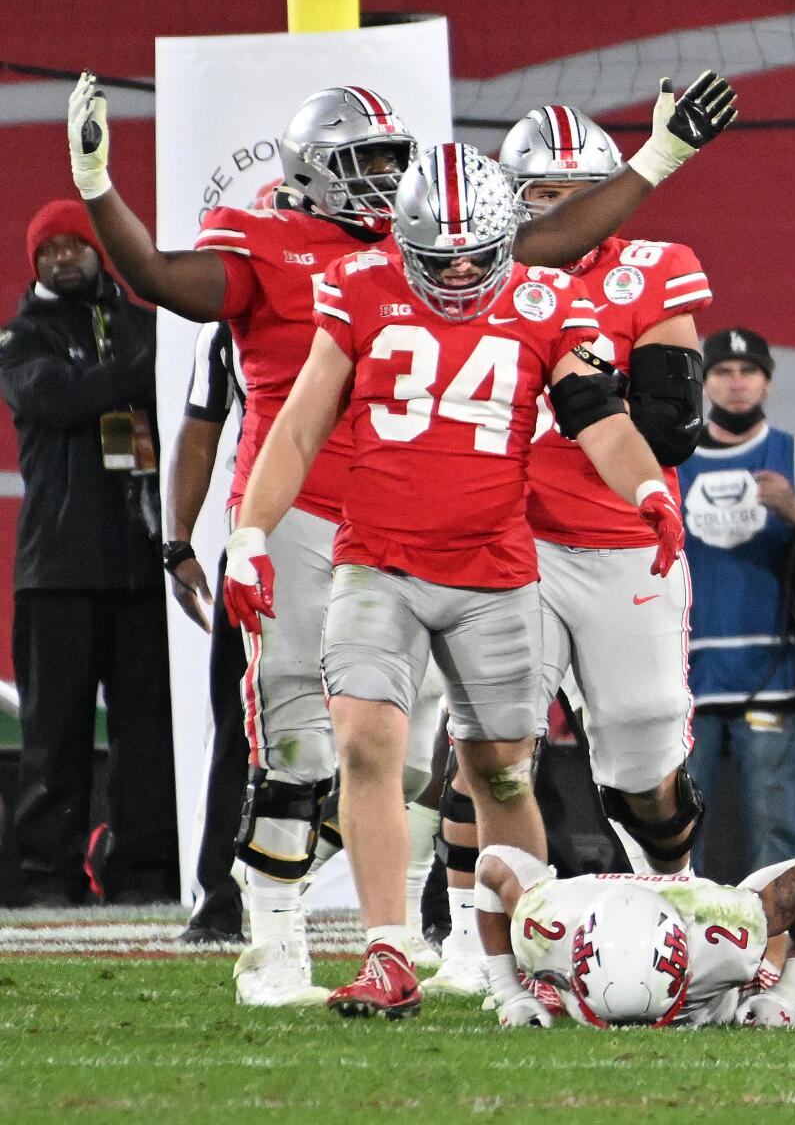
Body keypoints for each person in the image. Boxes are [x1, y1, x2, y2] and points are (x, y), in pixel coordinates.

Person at [66, 68, 734, 1004]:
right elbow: (249, 380)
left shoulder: (469, 258)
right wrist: (241, 531)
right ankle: (297, 941)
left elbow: (571, 331)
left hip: (477, 538)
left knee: (474, 763)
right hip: (336, 526)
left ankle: (487, 949)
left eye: (395, 161)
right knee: (312, 747)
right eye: (366, 161)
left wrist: (663, 155)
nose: (455, 264)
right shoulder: (343, 275)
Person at [223, 144, 690, 1019]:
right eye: (441, 257)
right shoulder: (360, 288)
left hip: (494, 571)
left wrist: (649, 489)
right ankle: (389, 953)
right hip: (378, 562)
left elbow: (600, 417)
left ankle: (523, 971)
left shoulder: (547, 300)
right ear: (404, 240)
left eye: (479, 251)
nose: (464, 270)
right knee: (369, 747)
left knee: (502, 777)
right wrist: (250, 531)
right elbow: (297, 427)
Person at [421, 105, 715, 1000]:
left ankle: (667, 906)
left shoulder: (654, 267)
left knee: (641, 762)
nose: (556, 214)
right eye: (538, 197)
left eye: (575, 197)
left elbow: (671, 424)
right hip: (511, 543)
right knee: (491, 747)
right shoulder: (475, 282)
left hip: (625, 543)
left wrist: (564, 387)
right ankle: (477, 945)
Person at [0, 199, 174, 905]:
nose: (63, 258)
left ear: (101, 250)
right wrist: (149, 364)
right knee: (53, 736)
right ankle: (49, 880)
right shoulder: (19, 339)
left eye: (75, 244)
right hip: (57, 571)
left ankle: (145, 871)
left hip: (139, 565)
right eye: (50, 250)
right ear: (34, 262)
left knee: (147, 736)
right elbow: (65, 399)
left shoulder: (140, 326)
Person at [680, 328, 795, 875]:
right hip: (683, 678)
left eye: (749, 372)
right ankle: (676, 944)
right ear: (704, 382)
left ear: (767, 382)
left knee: (776, 833)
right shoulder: (669, 460)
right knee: (673, 837)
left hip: (775, 676)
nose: (737, 384)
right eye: (723, 372)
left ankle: (775, 949)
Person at [473, 850, 795, 1030]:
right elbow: (491, 863)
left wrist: (786, 993)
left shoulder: (726, 930)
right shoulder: (545, 924)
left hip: (701, 923)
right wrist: (510, 991)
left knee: (766, 946)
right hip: (583, 907)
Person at [166, 319, 248, 941]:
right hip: (269, 537)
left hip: (396, 536)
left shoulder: (405, 290)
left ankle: (446, 904)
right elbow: (200, 429)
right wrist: (177, 542)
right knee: (243, 723)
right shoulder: (230, 325)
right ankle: (220, 894)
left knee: (428, 731)